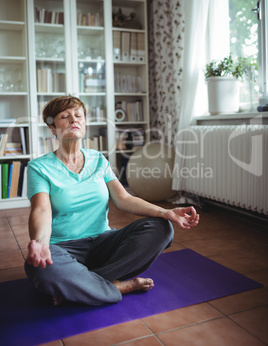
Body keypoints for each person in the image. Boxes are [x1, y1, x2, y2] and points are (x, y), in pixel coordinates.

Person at [25, 95, 199, 306]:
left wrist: (165, 212)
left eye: (78, 115)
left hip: (103, 243)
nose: (74, 120)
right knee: (40, 268)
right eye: (65, 116)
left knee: (162, 228)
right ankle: (119, 286)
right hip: (63, 248)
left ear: (85, 124)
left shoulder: (98, 160)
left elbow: (124, 199)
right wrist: (41, 244)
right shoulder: (39, 167)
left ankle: (82, 284)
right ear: (53, 128)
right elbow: (41, 210)